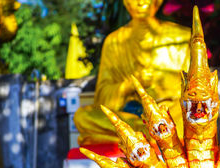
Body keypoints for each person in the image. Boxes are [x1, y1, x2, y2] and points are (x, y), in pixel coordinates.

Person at [74, 0, 190, 145]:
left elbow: (194, 87)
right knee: (83, 116)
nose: (140, 3)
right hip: (131, 115)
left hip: (169, 113)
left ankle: (137, 136)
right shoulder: (114, 42)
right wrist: (130, 85)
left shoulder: (182, 37)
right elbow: (102, 98)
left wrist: (162, 86)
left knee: (185, 116)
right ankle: (148, 134)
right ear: (126, 3)